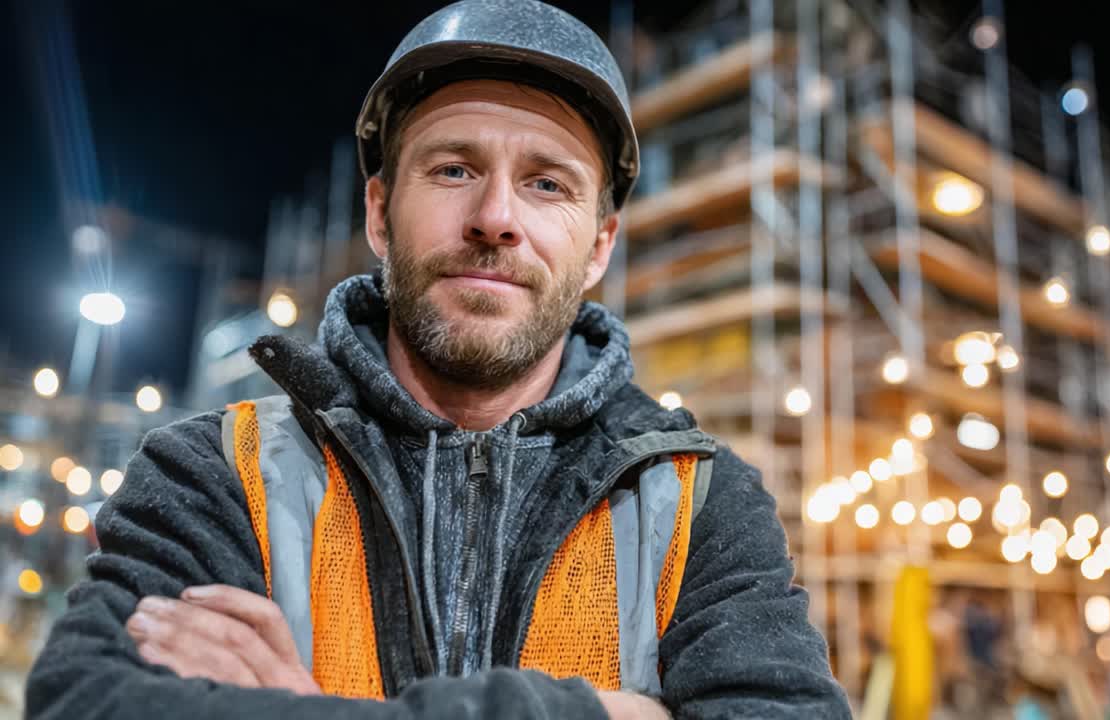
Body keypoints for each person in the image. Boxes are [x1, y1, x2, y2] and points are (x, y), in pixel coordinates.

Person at [24, 1, 851, 718]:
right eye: (454, 168)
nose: (495, 217)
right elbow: (89, 703)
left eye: (548, 185)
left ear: (599, 246)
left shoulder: (699, 506)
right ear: (380, 213)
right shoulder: (214, 473)